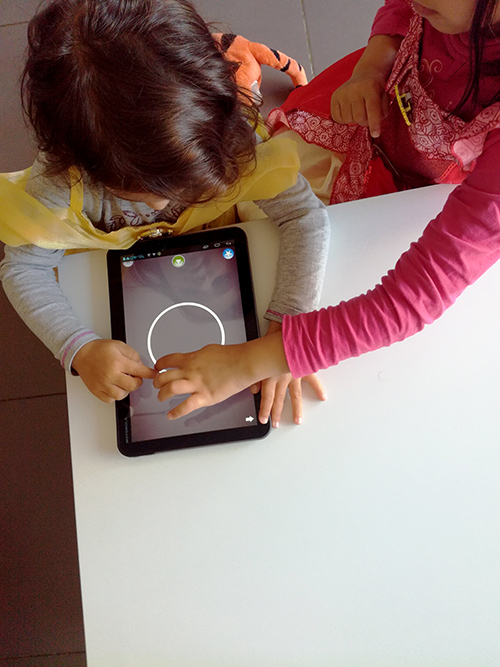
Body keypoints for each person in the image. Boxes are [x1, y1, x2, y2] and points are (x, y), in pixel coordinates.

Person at [153, 0, 500, 419]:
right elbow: (401, 10)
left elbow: (416, 296)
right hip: (354, 112)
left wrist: (255, 360)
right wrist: (372, 67)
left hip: (404, 188)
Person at [0, 0, 331, 427]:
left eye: (189, 184)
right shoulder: (58, 183)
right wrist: (78, 347)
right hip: (117, 273)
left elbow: (304, 216)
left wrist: (287, 329)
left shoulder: (228, 133)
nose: (165, 202)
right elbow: (23, 268)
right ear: (79, 161)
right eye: (145, 190)